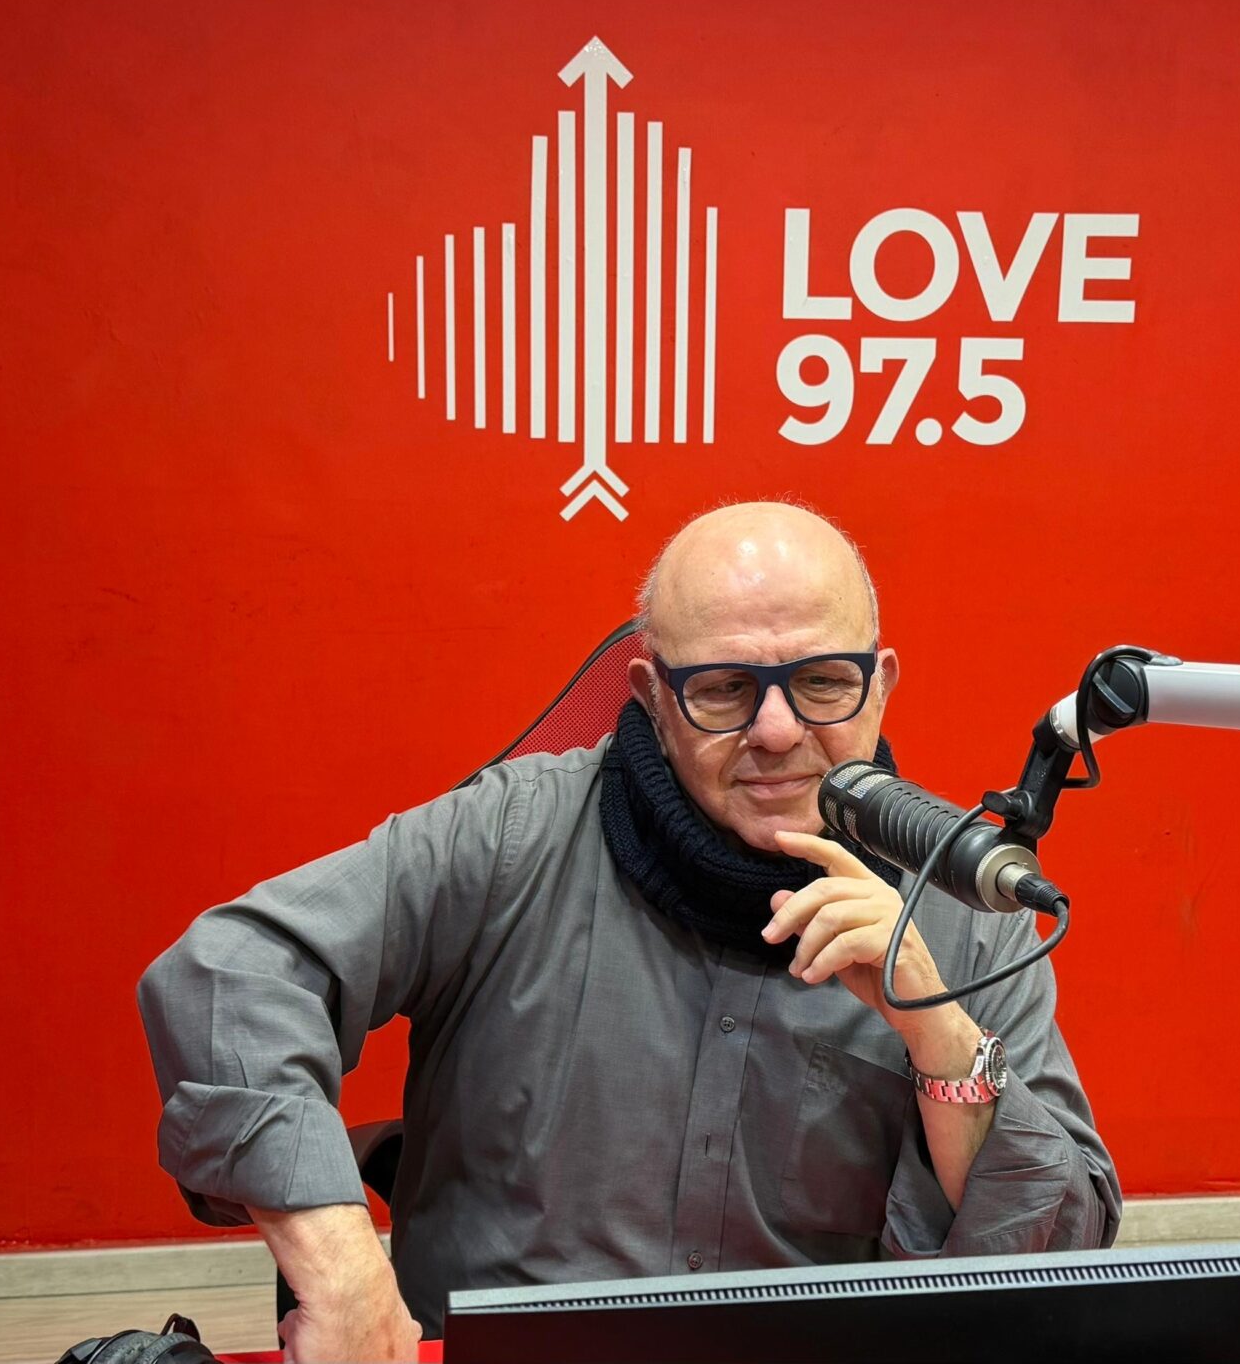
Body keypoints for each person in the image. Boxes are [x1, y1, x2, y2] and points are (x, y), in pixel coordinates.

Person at [139, 501, 1119, 1362]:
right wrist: (341, 1261)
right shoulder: (511, 836)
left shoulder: (967, 908)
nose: (778, 730)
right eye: (725, 689)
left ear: (881, 683)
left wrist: (939, 1035)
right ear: (651, 694)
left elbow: (1061, 1254)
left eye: (824, 682)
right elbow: (232, 971)